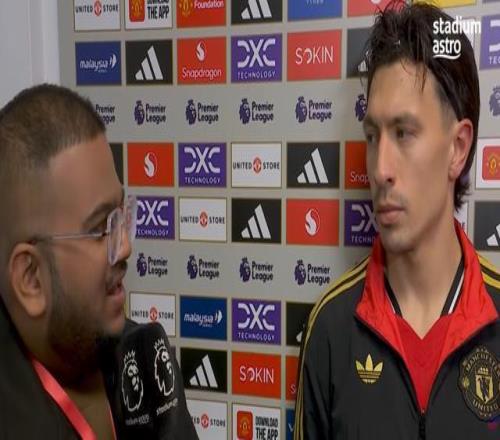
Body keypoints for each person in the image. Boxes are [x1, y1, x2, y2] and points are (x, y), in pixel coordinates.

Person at [294, 2, 499, 439]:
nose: (380, 168)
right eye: (372, 136)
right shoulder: (330, 327)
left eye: (403, 133)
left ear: (458, 148)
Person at [0, 84, 197, 439]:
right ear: (31, 278)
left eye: (121, 216)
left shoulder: (146, 363)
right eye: (99, 229)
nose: (125, 247)